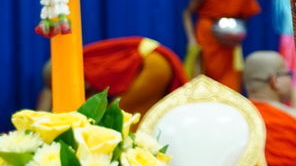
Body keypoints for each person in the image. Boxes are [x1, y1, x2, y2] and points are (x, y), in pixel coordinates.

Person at [37, 37, 185, 116]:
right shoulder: (76, 64)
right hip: (154, 62)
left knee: (121, 115)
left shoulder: (81, 69)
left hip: (154, 65)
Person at [184, 0, 261, 92]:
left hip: (229, 40)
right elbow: (187, 13)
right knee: (207, 81)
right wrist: (191, 39)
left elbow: (247, 14)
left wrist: (238, 31)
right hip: (207, 38)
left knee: (231, 85)